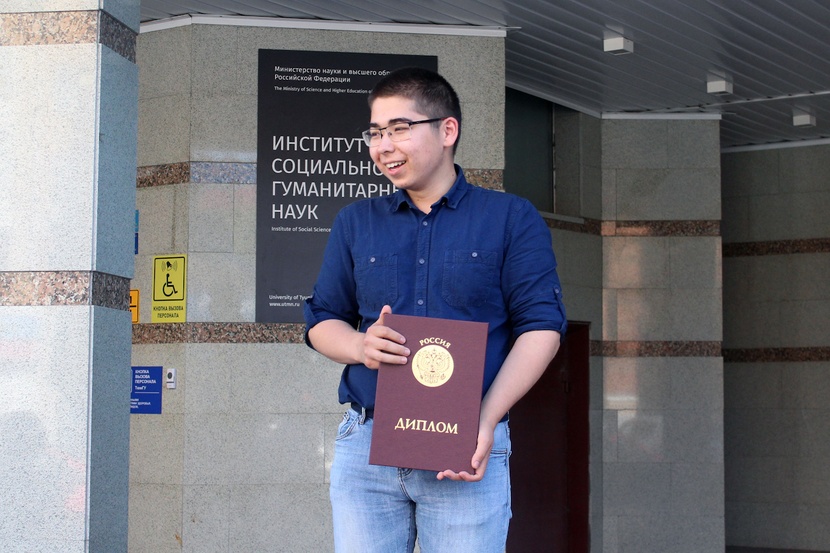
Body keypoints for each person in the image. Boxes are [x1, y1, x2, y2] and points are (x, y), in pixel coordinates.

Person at [303, 67, 567, 553]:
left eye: (399, 128)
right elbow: (322, 319)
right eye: (375, 132)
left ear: (448, 130)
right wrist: (360, 345)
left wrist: (485, 420)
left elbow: (542, 328)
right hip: (368, 446)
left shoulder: (511, 218)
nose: (383, 146)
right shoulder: (356, 222)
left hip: (467, 443)